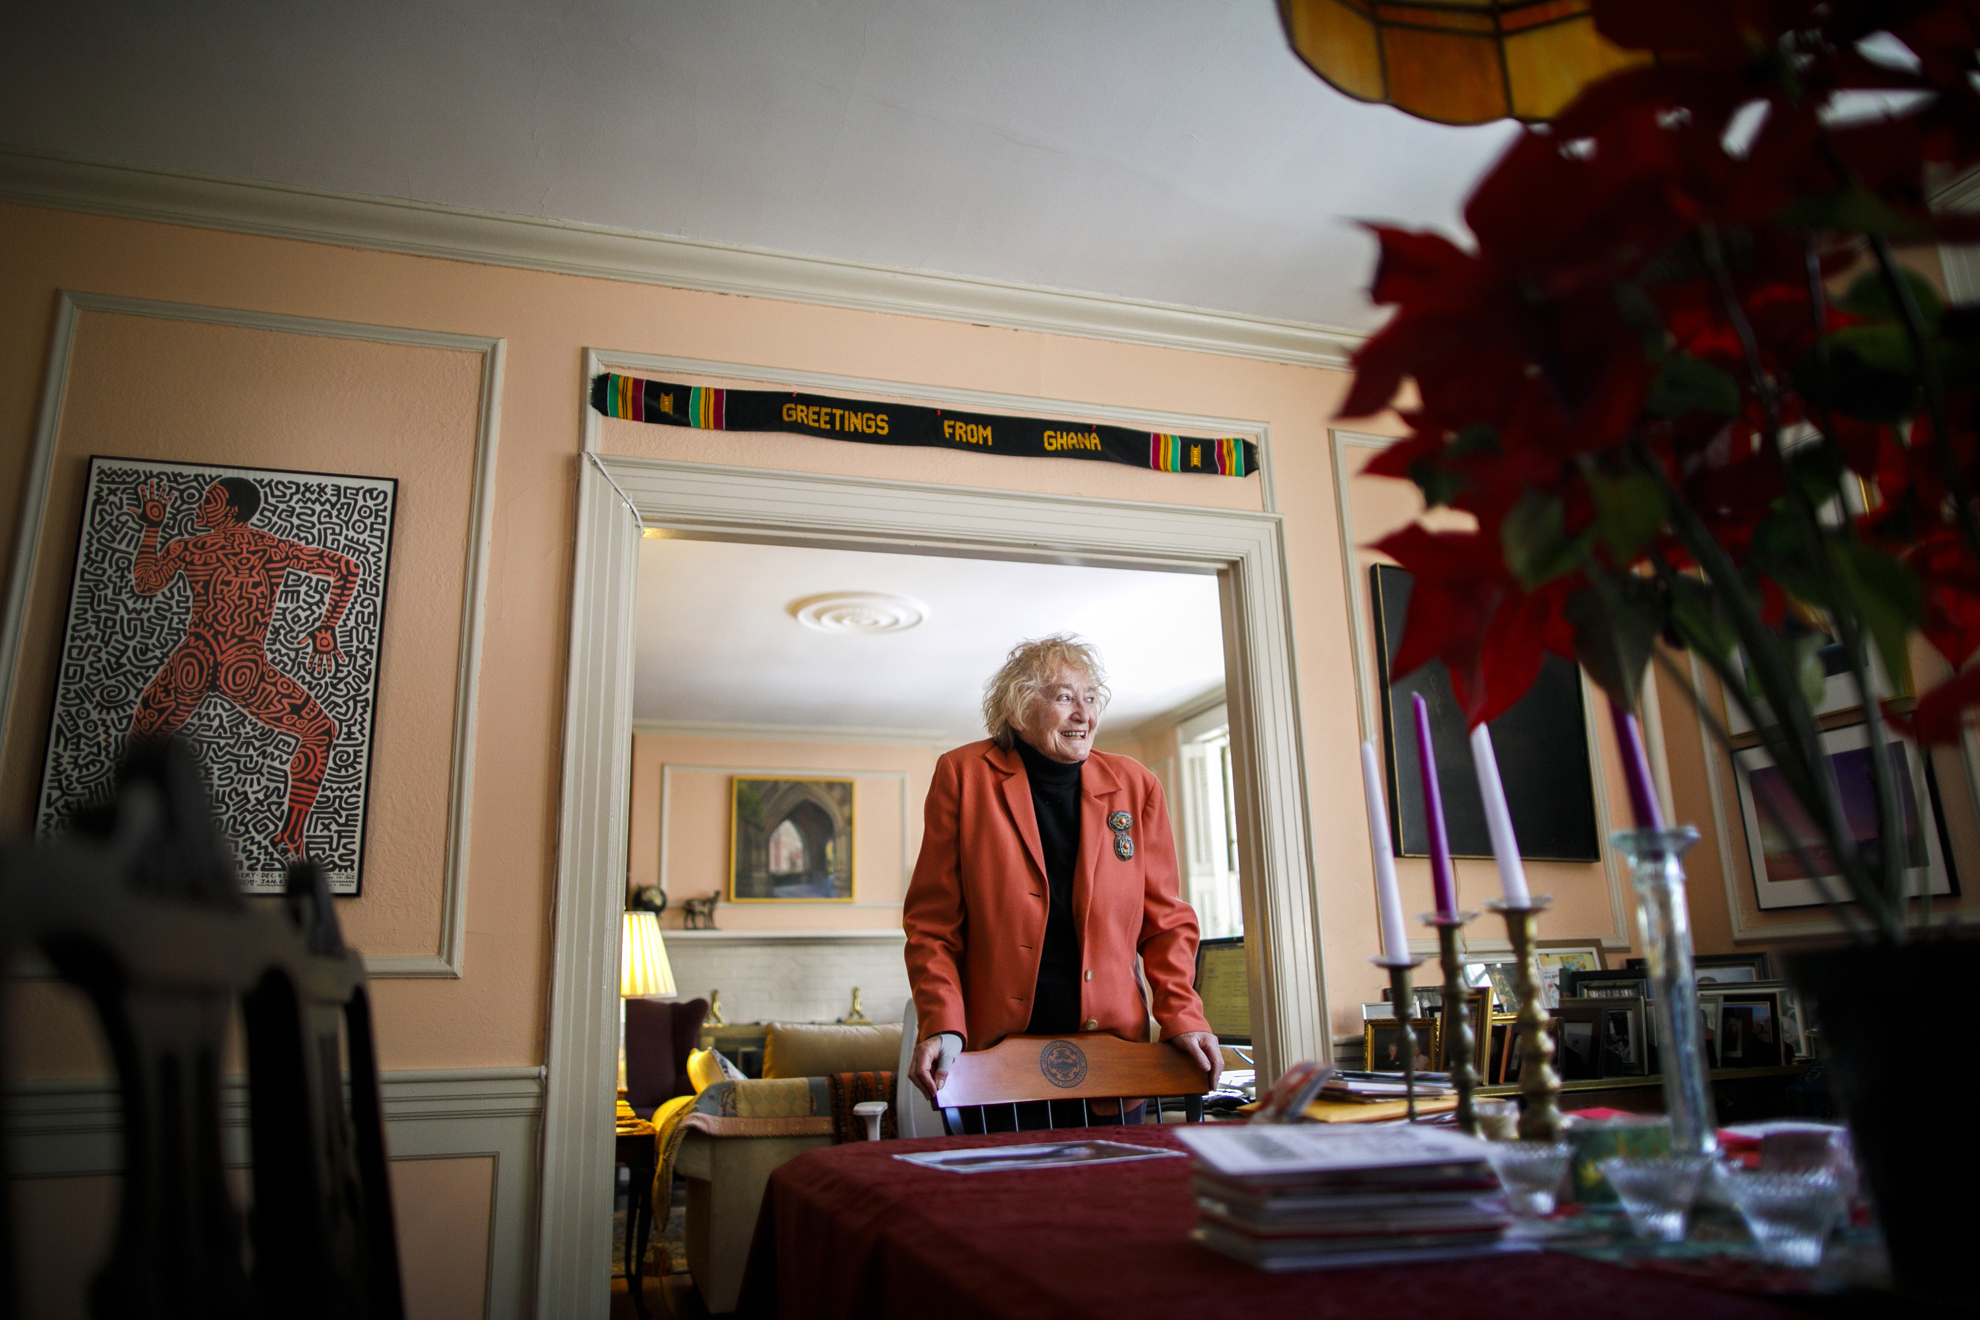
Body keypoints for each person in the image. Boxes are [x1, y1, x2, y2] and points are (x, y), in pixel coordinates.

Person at [902, 634, 1218, 1124]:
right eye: (1064, 697)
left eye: (1091, 698)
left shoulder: (1135, 787)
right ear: (1017, 710)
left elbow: (1166, 922)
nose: (1084, 714)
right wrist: (942, 1025)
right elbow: (932, 925)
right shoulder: (963, 777)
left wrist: (1183, 1016)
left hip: (1114, 1065)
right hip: (998, 1064)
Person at [127, 477, 360, 859]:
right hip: (244, 666)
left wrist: (153, 529)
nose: (201, 506)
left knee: (142, 741)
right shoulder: (273, 549)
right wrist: (326, 627)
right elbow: (346, 569)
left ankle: (133, 833)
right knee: (320, 731)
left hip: (196, 659)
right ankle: (291, 834)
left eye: (210, 500)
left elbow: (146, 581)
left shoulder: (188, 547)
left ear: (231, 509)